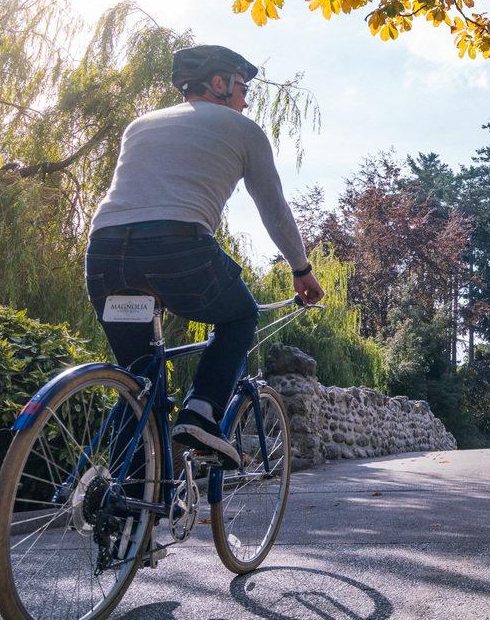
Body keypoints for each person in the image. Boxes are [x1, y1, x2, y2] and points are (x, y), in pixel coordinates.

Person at [86, 44, 323, 469]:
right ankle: (201, 411)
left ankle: (132, 500)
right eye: (243, 88)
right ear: (219, 83)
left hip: (104, 253)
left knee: (140, 381)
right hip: (177, 247)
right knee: (241, 315)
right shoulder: (243, 128)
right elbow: (274, 209)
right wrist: (301, 269)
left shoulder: (138, 125)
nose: (246, 101)